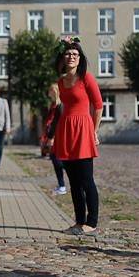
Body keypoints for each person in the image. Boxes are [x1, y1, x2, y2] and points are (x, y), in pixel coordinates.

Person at [53, 38, 103, 236]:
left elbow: (98, 106)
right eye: (68, 53)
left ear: (80, 58)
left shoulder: (86, 78)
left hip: (83, 130)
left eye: (75, 54)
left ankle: (92, 222)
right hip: (66, 130)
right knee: (73, 182)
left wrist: (94, 131)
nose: (71, 56)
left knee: (86, 179)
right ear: (63, 58)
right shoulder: (61, 81)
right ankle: (79, 221)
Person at [42, 84, 67, 195]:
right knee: (55, 159)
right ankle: (61, 185)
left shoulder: (60, 105)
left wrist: (52, 137)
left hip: (58, 137)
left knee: (59, 160)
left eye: (50, 91)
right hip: (53, 135)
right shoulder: (54, 105)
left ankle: (63, 186)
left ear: (55, 91)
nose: (49, 94)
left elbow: (57, 123)